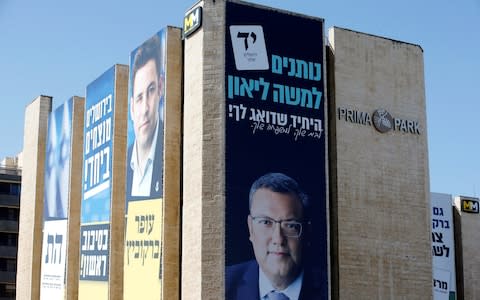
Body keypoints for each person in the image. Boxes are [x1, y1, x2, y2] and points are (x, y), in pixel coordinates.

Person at [226, 172, 323, 300]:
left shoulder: (336, 288)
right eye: (266, 222)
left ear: (306, 231)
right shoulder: (220, 284)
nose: (278, 239)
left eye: (290, 225)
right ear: (251, 228)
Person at [126, 35, 164, 200]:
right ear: (132, 108)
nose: (145, 109)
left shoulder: (170, 151)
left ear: (160, 88)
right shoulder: (123, 164)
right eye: (140, 98)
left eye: (151, 90)